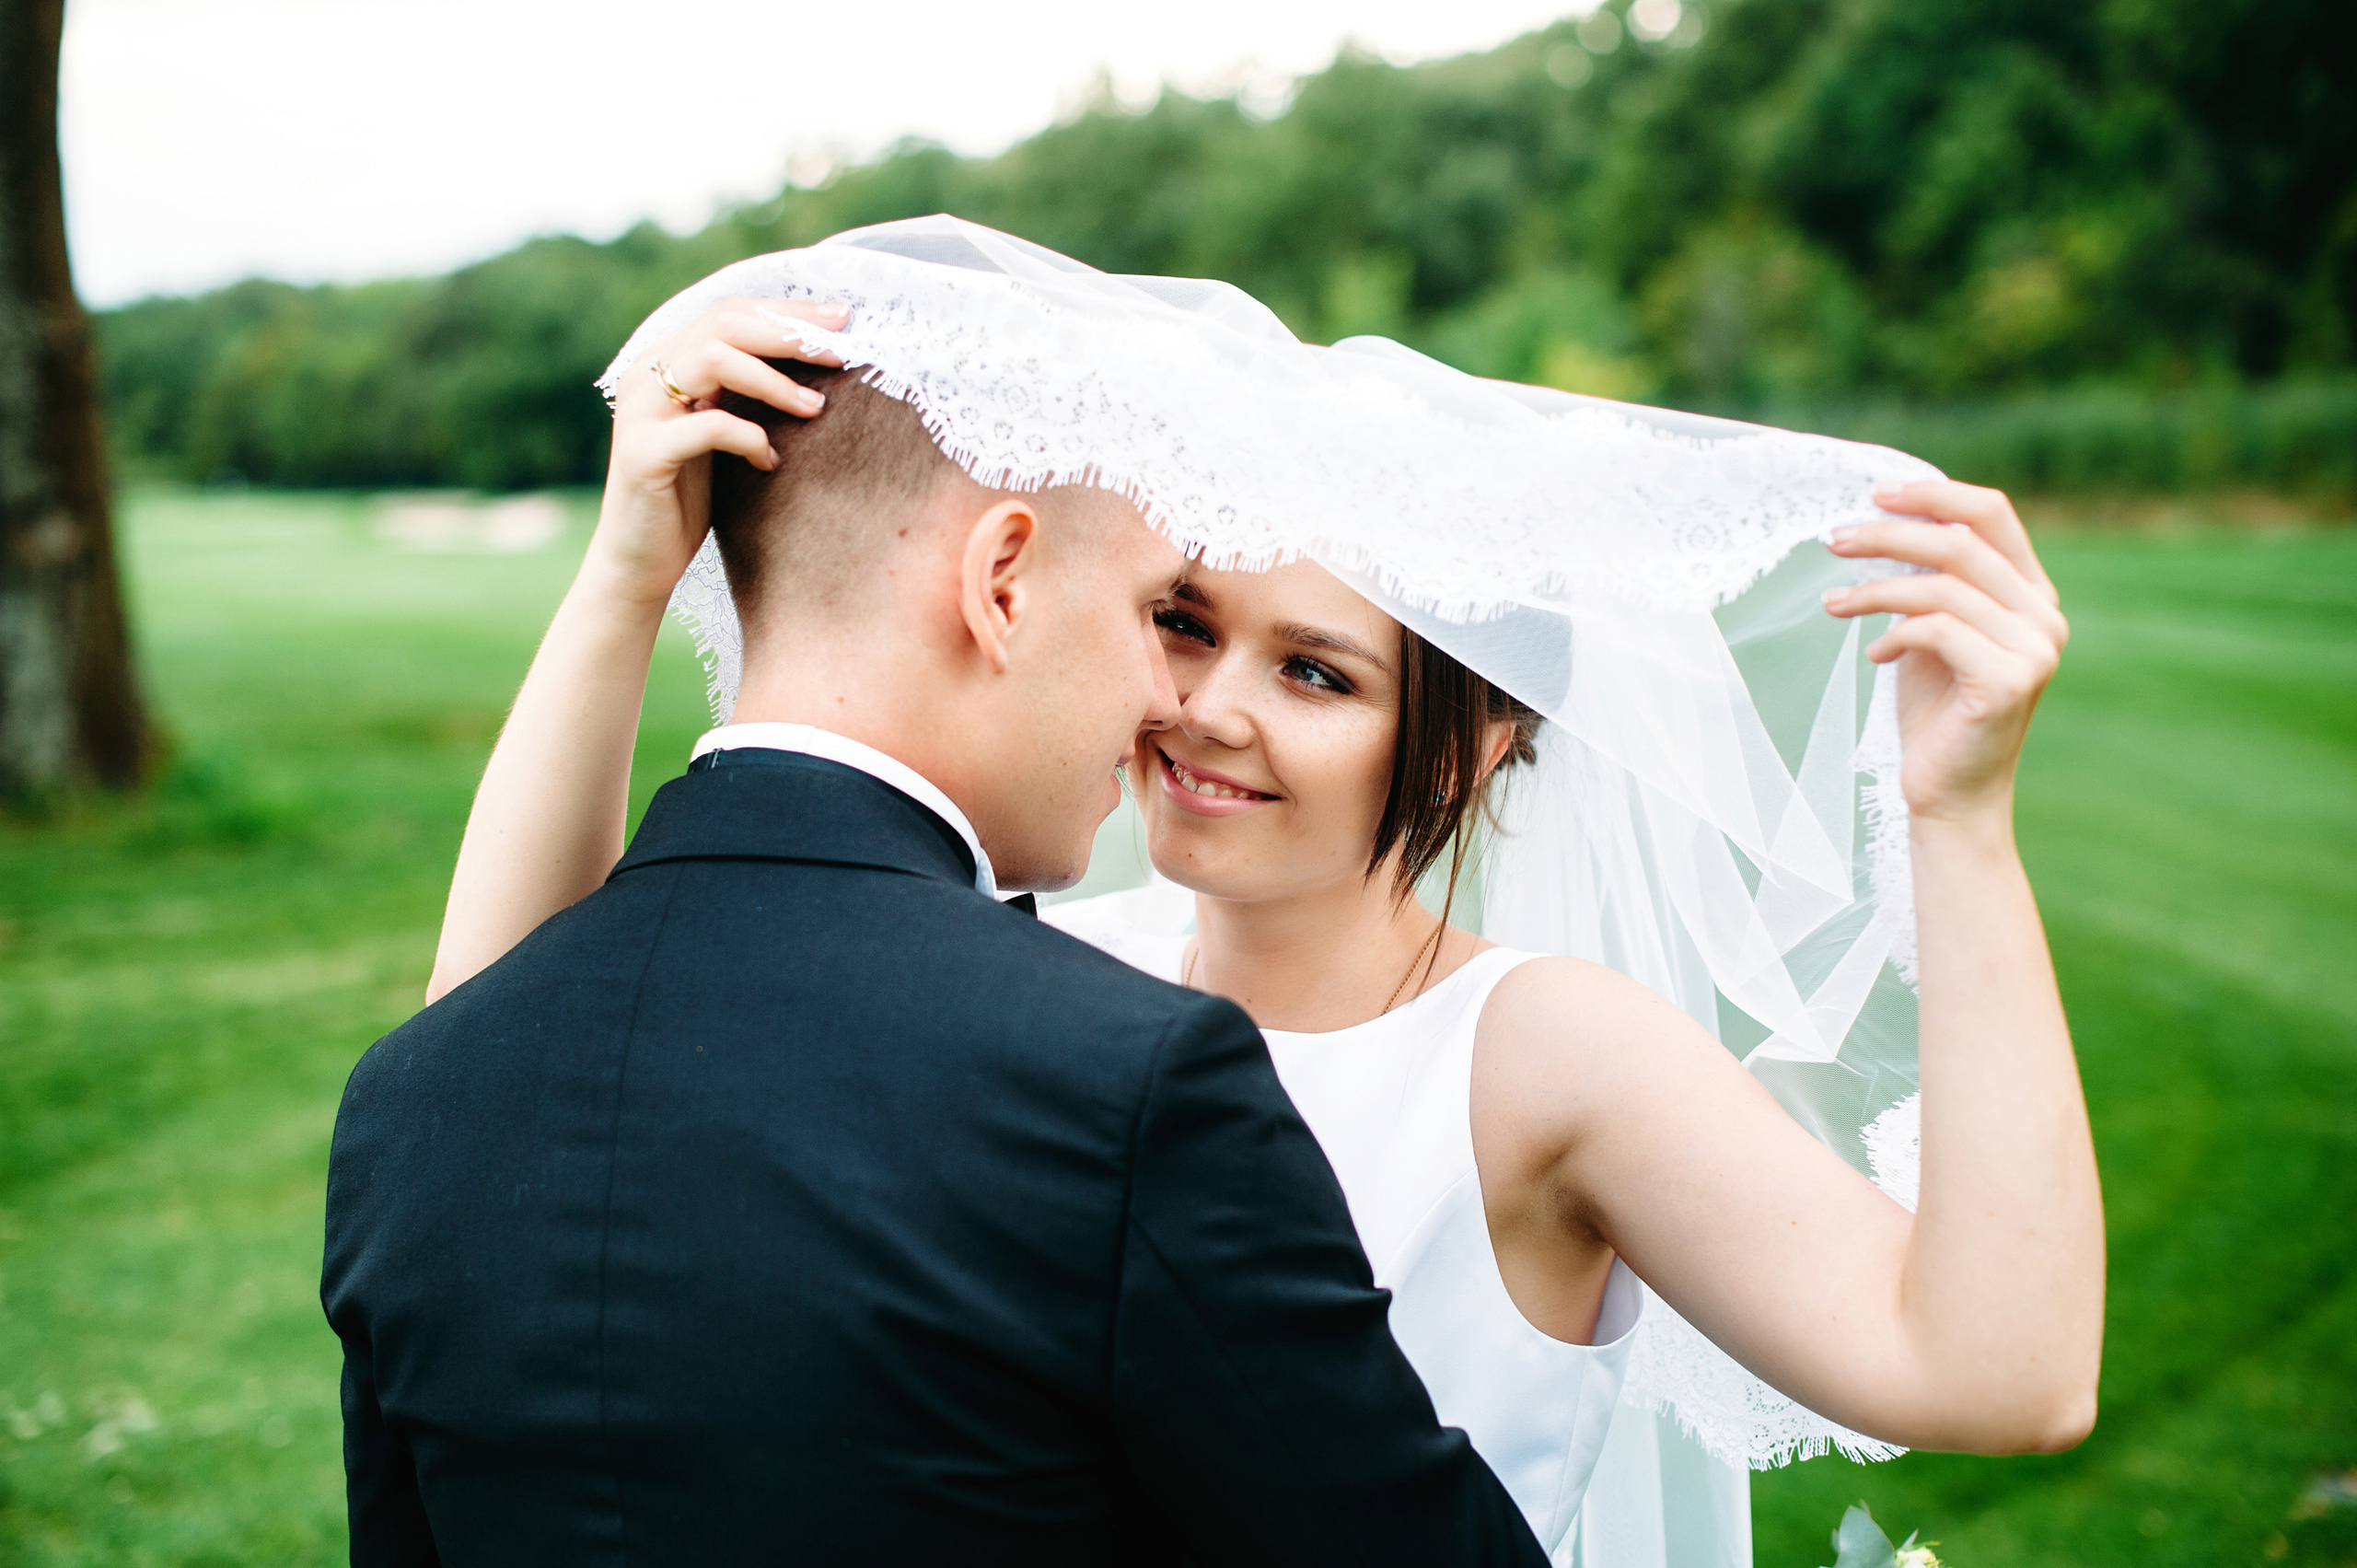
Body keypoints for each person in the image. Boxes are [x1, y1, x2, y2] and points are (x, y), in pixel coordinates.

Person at [417, 218, 2105, 1566]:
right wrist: (630, 575)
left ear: (1466, 751)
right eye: (1184, 623)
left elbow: (1997, 1370)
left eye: (1315, 674)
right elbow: (506, 1044)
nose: (1208, 707)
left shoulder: (1543, 1058)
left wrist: (1957, 816)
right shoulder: (1042, 968)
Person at [321, 296, 1555, 1565]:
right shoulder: (1126, 1089)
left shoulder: (410, 1101)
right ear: (1002, 585)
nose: (1157, 701)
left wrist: (623, 580)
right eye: (1153, 614)